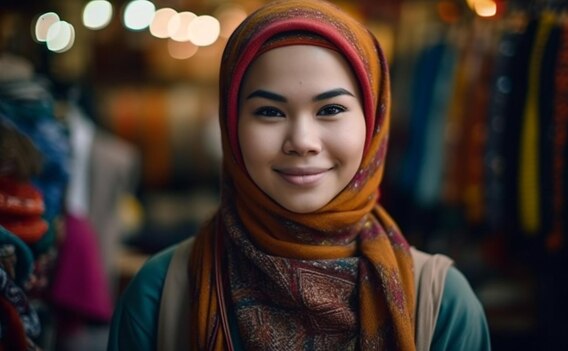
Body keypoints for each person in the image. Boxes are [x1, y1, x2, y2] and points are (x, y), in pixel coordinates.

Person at [107, 0, 491, 350]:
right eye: (269, 112)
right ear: (231, 124)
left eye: (331, 110)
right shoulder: (161, 296)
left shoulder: (440, 305)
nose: (302, 142)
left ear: (373, 123)